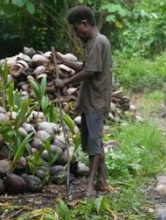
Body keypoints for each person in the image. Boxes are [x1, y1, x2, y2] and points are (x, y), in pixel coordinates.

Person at [50, 6, 114, 196]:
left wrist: (65, 82)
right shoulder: (94, 42)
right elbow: (85, 66)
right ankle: (102, 181)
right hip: (90, 101)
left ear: (84, 24)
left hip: (96, 101)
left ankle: (90, 185)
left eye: (77, 29)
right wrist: (63, 61)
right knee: (94, 143)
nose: (76, 34)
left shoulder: (99, 42)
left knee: (94, 144)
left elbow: (90, 72)